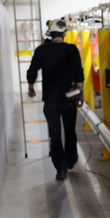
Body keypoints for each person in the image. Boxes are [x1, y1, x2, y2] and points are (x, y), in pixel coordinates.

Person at [26, 18, 84, 181]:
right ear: (64, 34)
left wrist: (31, 88)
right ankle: (71, 160)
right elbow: (79, 73)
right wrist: (80, 94)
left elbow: (32, 71)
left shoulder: (41, 50)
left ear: (50, 34)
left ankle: (61, 169)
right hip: (69, 100)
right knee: (70, 131)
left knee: (55, 134)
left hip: (50, 101)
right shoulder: (71, 50)